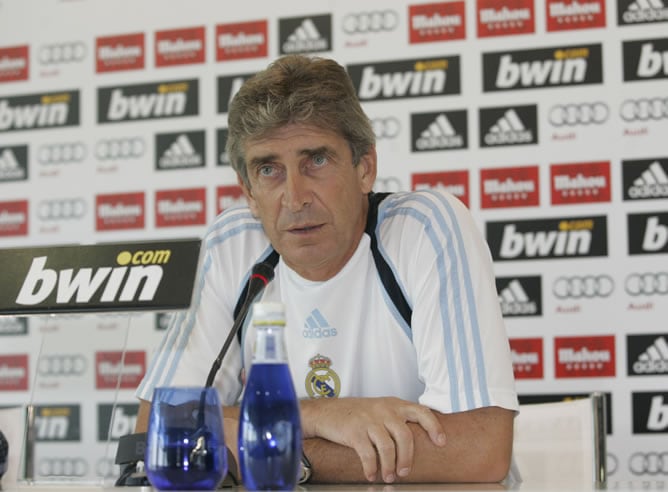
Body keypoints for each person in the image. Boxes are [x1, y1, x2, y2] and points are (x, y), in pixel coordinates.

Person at [134, 54, 519, 485]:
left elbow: (480, 448)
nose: (294, 197)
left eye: (316, 160)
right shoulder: (232, 245)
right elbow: (159, 432)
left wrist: (280, 452)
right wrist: (315, 415)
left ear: (365, 167)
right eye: (268, 169)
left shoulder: (425, 229)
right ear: (248, 190)